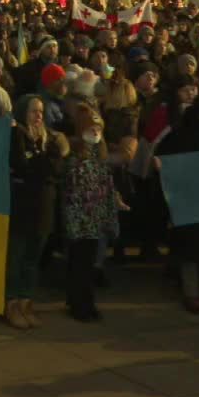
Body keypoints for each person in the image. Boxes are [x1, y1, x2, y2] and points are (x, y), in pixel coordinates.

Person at [4, 96, 67, 329]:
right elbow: (22, 165)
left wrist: (40, 163)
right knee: (16, 257)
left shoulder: (49, 138)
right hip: (22, 205)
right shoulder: (16, 136)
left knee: (33, 256)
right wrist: (43, 163)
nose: (38, 116)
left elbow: (57, 167)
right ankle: (11, 304)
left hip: (44, 205)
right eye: (33, 111)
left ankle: (26, 301)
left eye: (41, 111)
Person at [60, 106, 123, 322]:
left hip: (96, 218)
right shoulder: (74, 158)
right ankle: (79, 303)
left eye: (98, 128)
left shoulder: (99, 156)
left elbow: (106, 184)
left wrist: (113, 201)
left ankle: (84, 301)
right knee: (80, 262)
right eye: (90, 128)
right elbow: (71, 190)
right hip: (80, 218)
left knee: (88, 262)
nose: (95, 132)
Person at [155, 94, 199, 313]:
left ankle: (196, 294)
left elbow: (161, 161)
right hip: (198, 201)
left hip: (187, 202)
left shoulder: (178, 135)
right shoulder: (184, 135)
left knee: (193, 252)